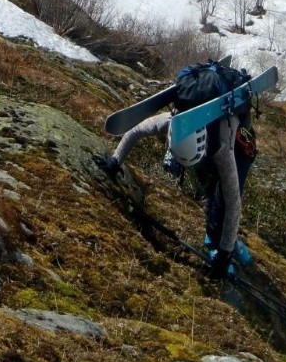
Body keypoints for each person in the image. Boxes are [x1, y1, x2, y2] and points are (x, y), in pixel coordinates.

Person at [100, 76, 258, 279]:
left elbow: (234, 203)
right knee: (210, 193)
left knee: (222, 204)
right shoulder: (174, 122)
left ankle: (228, 244)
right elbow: (136, 130)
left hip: (240, 147)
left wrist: (224, 255)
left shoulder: (222, 147)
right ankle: (216, 237)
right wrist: (115, 161)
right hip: (208, 149)